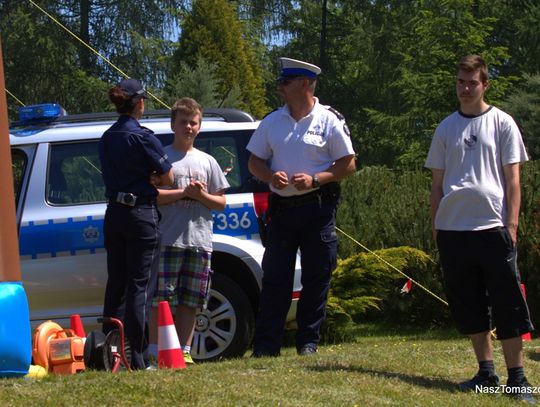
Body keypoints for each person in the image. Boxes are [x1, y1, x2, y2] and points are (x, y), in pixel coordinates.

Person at [425, 55, 535, 402]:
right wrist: (436, 226)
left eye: (472, 82)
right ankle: (486, 373)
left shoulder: (502, 123)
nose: (465, 88)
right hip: (454, 230)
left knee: (508, 303)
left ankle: (517, 378)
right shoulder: (446, 128)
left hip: (493, 227)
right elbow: (437, 185)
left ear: (485, 85)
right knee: (469, 303)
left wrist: (512, 224)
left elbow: (513, 179)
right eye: (460, 82)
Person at [247, 57, 356, 357]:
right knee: (275, 278)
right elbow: (254, 161)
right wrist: (270, 176)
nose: (280, 87)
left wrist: (316, 179)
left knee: (316, 276)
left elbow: (348, 164)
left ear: (305, 83)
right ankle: (266, 347)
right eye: (281, 82)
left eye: (286, 81)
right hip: (282, 210)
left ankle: (308, 343)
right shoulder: (272, 121)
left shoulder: (329, 119)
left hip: (318, 208)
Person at [98, 78, 173, 370]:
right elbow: (168, 178)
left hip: (114, 213)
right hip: (140, 214)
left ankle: (110, 354)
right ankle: (139, 358)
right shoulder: (143, 137)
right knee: (140, 285)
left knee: (116, 283)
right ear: (140, 103)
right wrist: (152, 178)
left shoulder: (107, 137)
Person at [149, 98, 229, 364]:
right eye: (183, 122)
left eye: (193, 122)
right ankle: (156, 349)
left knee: (191, 300)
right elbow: (152, 196)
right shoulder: (162, 157)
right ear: (173, 124)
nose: (188, 127)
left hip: (199, 241)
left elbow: (220, 203)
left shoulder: (208, 161)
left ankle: (183, 351)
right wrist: (183, 192)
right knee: (162, 299)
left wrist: (201, 195)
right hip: (168, 239)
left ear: (199, 126)